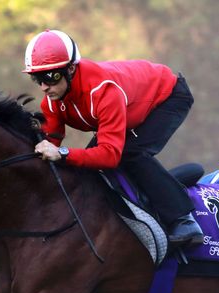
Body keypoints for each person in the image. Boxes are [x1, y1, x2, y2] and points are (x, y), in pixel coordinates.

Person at [26, 29, 203, 246]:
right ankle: (152, 195)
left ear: (71, 69)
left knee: (130, 153)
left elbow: (109, 155)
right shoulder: (52, 101)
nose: (44, 86)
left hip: (168, 97)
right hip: (129, 110)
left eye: (50, 76)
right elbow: (49, 147)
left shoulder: (103, 92)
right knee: (89, 168)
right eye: (37, 78)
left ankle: (183, 220)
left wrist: (62, 153)